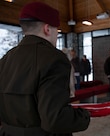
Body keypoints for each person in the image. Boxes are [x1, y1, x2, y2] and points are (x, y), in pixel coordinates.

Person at [0, 2, 90, 136]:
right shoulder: (54, 59)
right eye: (57, 31)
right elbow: (54, 120)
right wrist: (84, 116)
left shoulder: (5, 59)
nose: (56, 35)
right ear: (47, 29)